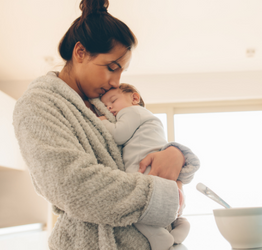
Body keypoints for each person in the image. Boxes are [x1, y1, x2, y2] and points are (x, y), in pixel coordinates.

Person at [12, 0, 200, 249]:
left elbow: (142, 140)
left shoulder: (101, 104)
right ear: (80, 52)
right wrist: (163, 196)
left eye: (121, 71)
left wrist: (175, 153)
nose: (116, 82)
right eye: (112, 68)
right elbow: (72, 186)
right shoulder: (38, 104)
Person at [98, 83, 190, 250]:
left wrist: (101, 121)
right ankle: (182, 225)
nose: (109, 107)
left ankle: (159, 237)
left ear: (134, 98)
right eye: (104, 106)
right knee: (174, 215)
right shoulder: (147, 119)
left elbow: (119, 135)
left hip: (146, 170)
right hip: (169, 183)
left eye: (113, 100)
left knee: (136, 211)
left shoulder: (133, 111)